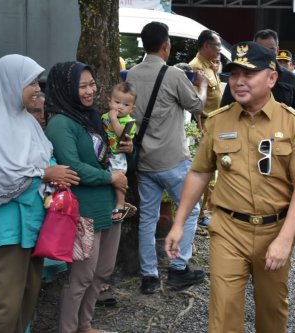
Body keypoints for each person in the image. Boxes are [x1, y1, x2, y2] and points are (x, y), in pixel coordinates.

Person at [165, 41, 295, 333]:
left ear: (272, 78)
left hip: (275, 229)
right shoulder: (219, 121)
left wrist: (285, 239)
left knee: (272, 312)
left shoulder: (294, 124)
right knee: (223, 311)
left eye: (249, 74)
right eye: (234, 74)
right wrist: (179, 223)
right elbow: (199, 174)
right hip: (228, 230)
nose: (239, 81)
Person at [0, 54, 79, 333]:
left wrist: (54, 173)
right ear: (10, 83)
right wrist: (45, 175)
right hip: (0, 233)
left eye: (37, 82)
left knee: (25, 301)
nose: (37, 88)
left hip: (31, 227)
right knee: (1, 308)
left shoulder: (24, 121)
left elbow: (43, 157)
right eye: (31, 83)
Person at [44, 61, 129, 333]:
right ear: (66, 88)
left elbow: (109, 157)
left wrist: (127, 148)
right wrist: (110, 178)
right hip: (84, 209)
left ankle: (85, 325)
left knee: (102, 272)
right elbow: (72, 166)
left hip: (108, 207)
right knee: (81, 277)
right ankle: (68, 329)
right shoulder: (60, 122)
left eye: (92, 84)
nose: (90, 90)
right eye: (82, 86)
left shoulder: (91, 116)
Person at [126, 21, 207, 295]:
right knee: (190, 210)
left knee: (148, 218)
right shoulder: (173, 75)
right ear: (165, 45)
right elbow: (197, 105)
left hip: (145, 162)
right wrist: (204, 86)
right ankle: (178, 269)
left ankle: (149, 276)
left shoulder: (131, 75)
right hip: (173, 161)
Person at [189, 29, 224, 227]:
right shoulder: (196, 68)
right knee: (204, 172)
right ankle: (200, 214)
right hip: (203, 128)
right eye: (216, 45)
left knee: (212, 174)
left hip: (214, 126)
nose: (219, 49)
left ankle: (205, 211)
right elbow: (195, 105)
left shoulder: (210, 66)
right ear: (205, 46)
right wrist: (200, 131)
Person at [220, 29, 295, 110]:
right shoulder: (239, 79)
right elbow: (225, 110)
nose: (266, 54)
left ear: (277, 50)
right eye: (261, 49)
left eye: (271, 50)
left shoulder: (291, 78)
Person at [101, 82, 138, 222]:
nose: (120, 107)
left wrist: (114, 119)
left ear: (132, 108)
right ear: (109, 100)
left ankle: (120, 203)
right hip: (106, 154)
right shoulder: (104, 116)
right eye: (117, 102)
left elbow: (120, 134)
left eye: (126, 105)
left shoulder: (129, 122)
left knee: (119, 178)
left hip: (118, 155)